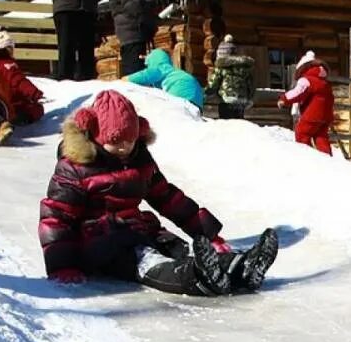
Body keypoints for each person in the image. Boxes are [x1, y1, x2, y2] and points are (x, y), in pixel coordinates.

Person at [38, 90, 279, 295]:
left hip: (138, 228)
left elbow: (167, 197)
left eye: (129, 140)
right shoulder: (75, 167)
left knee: (178, 248)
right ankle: (197, 278)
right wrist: (62, 265)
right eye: (115, 141)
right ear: (96, 136)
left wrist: (208, 235)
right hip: (100, 242)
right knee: (148, 260)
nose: (124, 147)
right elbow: (56, 217)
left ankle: (240, 267)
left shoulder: (138, 159)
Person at [105, 0, 157, 77]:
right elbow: (135, 9)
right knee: (135, 71)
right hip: (133, 34)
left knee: (134, 68)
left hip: (131, 35)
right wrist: (149, 24)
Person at [277, 51, 335, 155]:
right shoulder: (324, 82)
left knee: (302, 132)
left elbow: (297, 93)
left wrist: (284, 99)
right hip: (326, 116)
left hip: (313, 114)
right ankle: (327, 159)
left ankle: (307, 156)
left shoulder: (306, 80)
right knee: (321, 137)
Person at [125, 48, 205, 109]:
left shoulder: (160, 69)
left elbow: (142, 76)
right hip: (197, 102)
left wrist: (124, 79)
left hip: (181, 96)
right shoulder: (172, 71)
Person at [206, 35, 256, 119]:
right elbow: (251, 85)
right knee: (238, 124)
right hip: (241, 100)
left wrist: (205, 94)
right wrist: (249, 97)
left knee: (227, 126)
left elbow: (213, 85)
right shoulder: (244, 67)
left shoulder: (221, 67)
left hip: (226, 100)